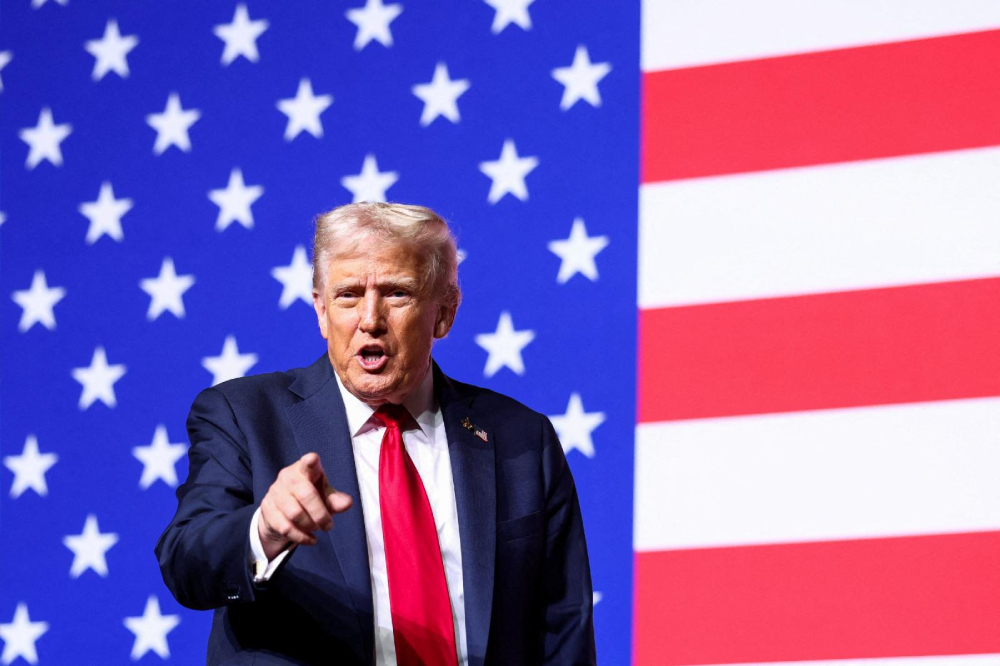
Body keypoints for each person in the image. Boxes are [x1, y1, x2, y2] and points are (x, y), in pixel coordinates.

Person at [155, 202, 596, 665]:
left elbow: (563, 627)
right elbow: (186, 560)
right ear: (321, 312)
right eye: (347, 295)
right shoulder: (243, 415)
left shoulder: (521, 439)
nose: (370, 318)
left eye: (396, 293)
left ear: (444, 312)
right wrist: (262, 531)